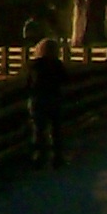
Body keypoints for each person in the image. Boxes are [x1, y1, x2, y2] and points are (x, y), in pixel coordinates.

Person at [28, 36, 67, 167]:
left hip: (38, 99)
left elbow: (28, 83)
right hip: (54, 99)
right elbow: (65, 79)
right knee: (56, 129)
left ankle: (39, 157)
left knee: (39, 129)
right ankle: (57, 158)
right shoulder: (57, 64)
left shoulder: (34, 65)